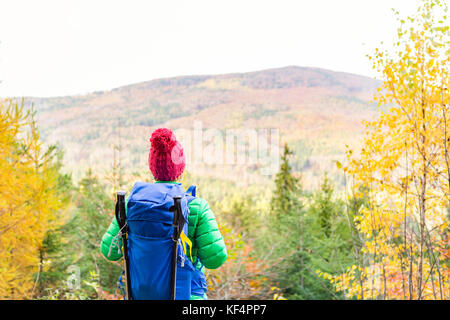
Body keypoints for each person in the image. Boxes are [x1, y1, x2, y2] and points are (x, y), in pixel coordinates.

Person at [100, 128, 227, 300]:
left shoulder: (131, 203)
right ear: (180, 169)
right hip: (187, 294)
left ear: (152, 167)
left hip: (140, 295)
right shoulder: (196, 207)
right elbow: (215, 259)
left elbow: (109, 251)